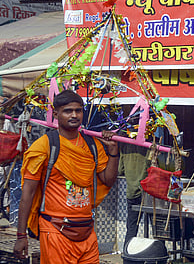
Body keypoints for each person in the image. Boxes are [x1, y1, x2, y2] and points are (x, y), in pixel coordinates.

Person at [13, 90, 120, 263]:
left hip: (87, 230)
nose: (74, 115)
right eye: (68, 111)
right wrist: (20, 235)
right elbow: (27, 193)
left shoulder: (92, 145)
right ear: (56, 114)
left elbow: (108, 180)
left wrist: (114, 153)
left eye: (78, 110)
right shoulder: (44, 146)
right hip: (55, 229)